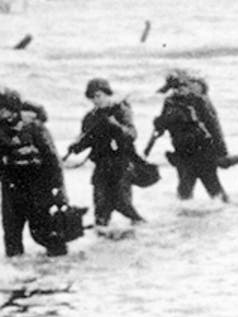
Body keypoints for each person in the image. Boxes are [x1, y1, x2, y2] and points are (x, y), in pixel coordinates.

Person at [0, 88, 69, 257]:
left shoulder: (34, 127)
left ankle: (60, 265)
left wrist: (60, 189)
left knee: (41, 232)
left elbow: (53, 160)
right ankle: (17, 275)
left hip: (37, 186)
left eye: (3, 109)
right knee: (11, 234)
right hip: (11, 186)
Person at [67, 77, 144, 227]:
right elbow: (86, 138)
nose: (96, 100)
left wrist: (116, 126)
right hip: (101, 164)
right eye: (92, 97)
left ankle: (140, 227)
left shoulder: (121, 111)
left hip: (121, 163)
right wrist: (76, 147)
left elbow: (132, 135)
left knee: (123, 203)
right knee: (100, 205)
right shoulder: (90, 117)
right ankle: (103, 238)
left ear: (107, 94)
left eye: (99, 96)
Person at [148, 69, 228, 202]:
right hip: (182, 153)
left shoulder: (199, 101)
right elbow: (160, 128)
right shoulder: (170, 102)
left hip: (204, 151)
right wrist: (159, 123)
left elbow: (214, 127)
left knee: (213, 187)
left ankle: (227, 213)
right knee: (184, 190)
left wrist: (222, 151)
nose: (178, 91)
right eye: (175, 88)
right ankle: (185, 219)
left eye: (181, 87)